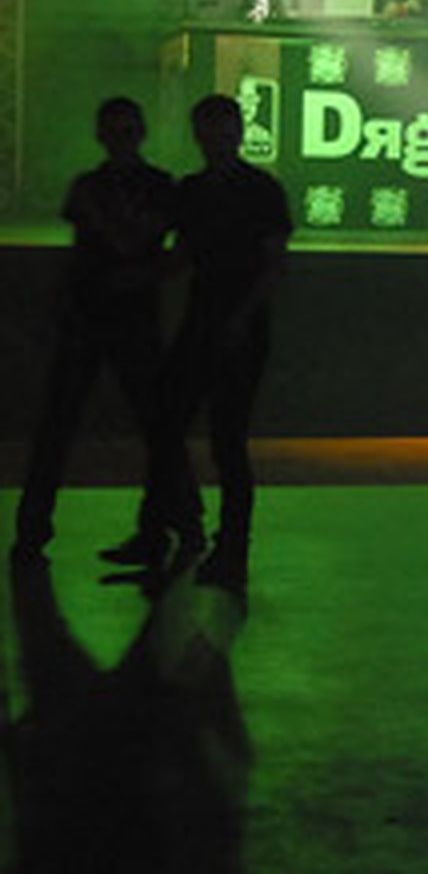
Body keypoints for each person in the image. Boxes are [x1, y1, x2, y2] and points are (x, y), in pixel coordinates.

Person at [101, 94, 293, 589]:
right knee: (175, 429)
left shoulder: (255, 190)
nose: (217, 144)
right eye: (210, 136)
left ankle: (216, 546)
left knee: (220, 440)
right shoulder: (210, 190)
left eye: (222, 135)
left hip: (232, 330)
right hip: (210, 324)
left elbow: (272, 266)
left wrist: (240, 318)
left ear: (238, 134)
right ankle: (180, 536)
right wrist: (144, 278)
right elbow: (188, 255)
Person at [13, 97, 175, 564]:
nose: (121, 140)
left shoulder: (95, 187)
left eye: (125, 131)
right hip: (103, 319)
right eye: (117, 132)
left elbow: (101, 247)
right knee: (151, 427)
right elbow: (135, 244)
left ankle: (33, 531)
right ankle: (172, 526)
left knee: (68, 427)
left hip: (105, 320)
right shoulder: (157, 186)